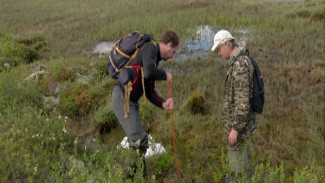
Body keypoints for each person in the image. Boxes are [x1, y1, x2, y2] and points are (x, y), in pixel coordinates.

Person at [111, 30, 180, 179]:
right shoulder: (149, 48)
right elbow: (149, 73)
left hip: (131, 102)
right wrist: (164, 75)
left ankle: (133, 177)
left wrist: (163, 104)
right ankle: (135, 177)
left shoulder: (153, 59)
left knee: (136, 143)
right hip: (122, 99)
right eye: (173, 51)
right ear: (169, 45)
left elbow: (149, 92)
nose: (173, 55)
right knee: (140, 140)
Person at [211, 30, 257, 182]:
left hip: (239, 129)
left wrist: (235, 129)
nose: (218, 52)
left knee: (237, 170)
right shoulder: (237, 61)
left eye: (219, 48)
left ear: (228, 44)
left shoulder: (240, 66)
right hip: (241, 126)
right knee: (243, 164)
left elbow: (243, 103)